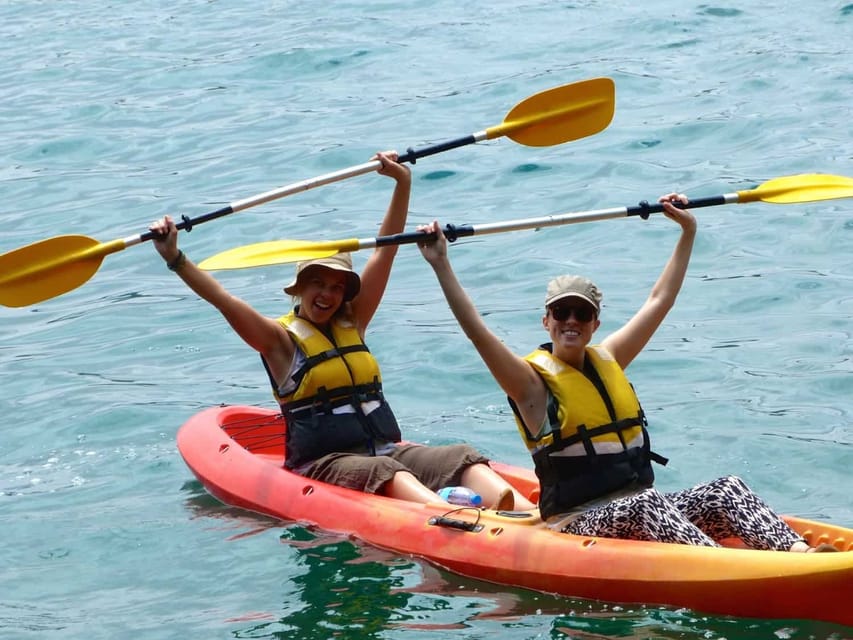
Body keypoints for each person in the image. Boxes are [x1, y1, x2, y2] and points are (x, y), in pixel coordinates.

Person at [417, 192, 836, 551]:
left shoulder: (609, 358)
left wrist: (687, 232)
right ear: (546, 321)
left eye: (582, 313)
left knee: (728, 488)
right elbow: (476, 331)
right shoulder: (530, 385)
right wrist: (440, 264)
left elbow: (660, 300)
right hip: (575, 524)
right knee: (648, 504)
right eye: (561, 311)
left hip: (639, 509)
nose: (571, 321)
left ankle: (799, 553)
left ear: (595, 323)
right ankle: (728, 565)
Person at [150, 150, 534, 512]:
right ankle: (451, 517)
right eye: (319, 283)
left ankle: (532, 514)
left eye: (338, 287)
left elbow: (385, 252)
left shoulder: (353, 321)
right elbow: (222, 299)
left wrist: (402, 183)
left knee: (460, 455)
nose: (328, 295)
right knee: (388, 472)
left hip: (384, 450)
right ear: (298, 286)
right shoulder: (279, 341)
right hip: (324, 464)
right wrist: (176, 258)